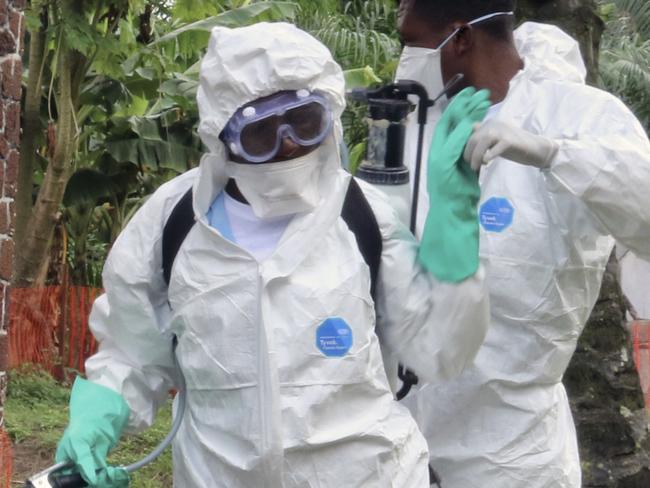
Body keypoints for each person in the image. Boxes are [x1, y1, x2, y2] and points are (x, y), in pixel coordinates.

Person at [54, 22, 491, 487]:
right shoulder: (174, 223)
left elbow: (440, 353)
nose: (287, 144)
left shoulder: (364, 215)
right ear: (223, 137)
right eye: (261, 132)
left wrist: (455, 240)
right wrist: (96, 420)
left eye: (305, 123)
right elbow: (132, 352)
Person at [394, 1, 650, 487]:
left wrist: (553, 154)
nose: (404, 57)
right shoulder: (417, 119)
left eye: (411, 42)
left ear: (461, 38)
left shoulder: (577, 114)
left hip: (512, 452)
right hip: (404, 441)